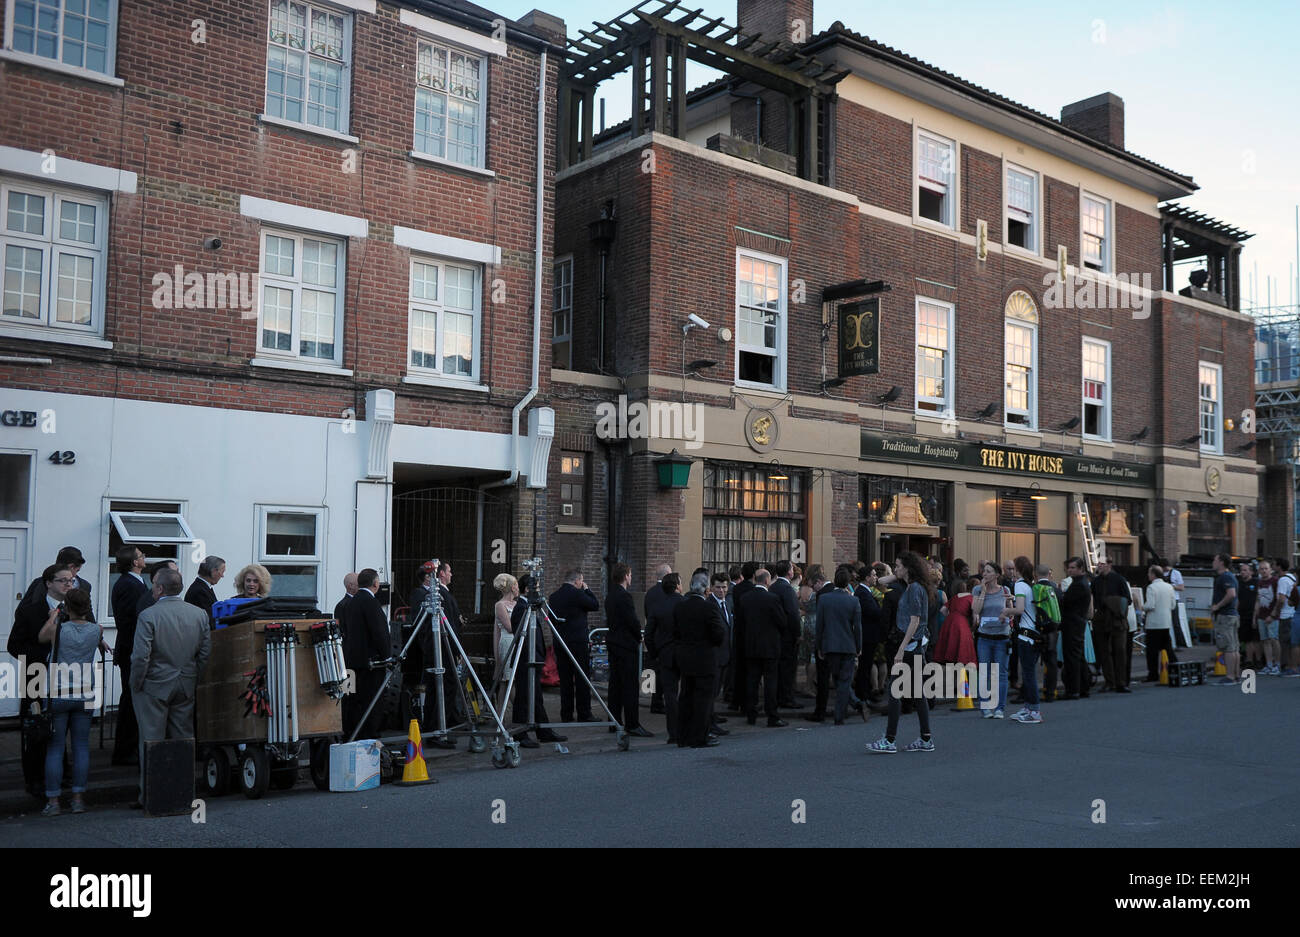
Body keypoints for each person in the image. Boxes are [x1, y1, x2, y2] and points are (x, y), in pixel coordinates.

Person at [130, 568, 211, 806]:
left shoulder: (148, 615)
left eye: (154, 584)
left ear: (160, 588)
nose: (152, 587)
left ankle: (150, 796)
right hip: (185, 681)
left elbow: (140, 657)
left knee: (151, 740)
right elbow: (205, 653)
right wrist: (195, 678)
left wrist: (136, 683)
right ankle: (183, 794)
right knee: (184, 740)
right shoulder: (199, 615)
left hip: (154, 684)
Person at [9, 564, 79, 799]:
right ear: (48, 583)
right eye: (63, 581)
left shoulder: (75, 609)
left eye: (71, 581)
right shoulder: (30, 610)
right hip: (36, 675)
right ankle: (35, 780)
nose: (69, 585)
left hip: (67, 678)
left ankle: (62, 774)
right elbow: (14, 645)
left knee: (62, 727)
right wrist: (45, 655)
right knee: (35, 728)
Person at [38, 588, 103, 816]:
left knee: (55, 748)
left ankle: (53, 802)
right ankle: (78, 799)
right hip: (85, 693)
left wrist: (54, 614)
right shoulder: (97, 630)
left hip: (59, 693)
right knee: (81, 747)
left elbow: (41, 635)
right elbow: (98, 643)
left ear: (67, 607)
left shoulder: (59, 630)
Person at [868, 551, 935, 752]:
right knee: (917, 693)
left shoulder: (914, 589)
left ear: (908, 567)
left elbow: (914, 621)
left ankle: (889, 740)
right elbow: (880, 580)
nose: (895, 569)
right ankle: (925, 738)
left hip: (909, 646)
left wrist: (900, 648)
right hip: (915, 647)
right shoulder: (915, 586)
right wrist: (899, 573)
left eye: (898, 565)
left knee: (895, 691)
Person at [509, 574, 565, 748]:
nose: (539, 591)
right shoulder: (521, 608)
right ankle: (520, 733)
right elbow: (522, 635)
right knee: (523, 697)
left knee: (536, 697)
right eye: (537, 587)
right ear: (528, 589)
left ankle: (544, 730)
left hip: (534, 658)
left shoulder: (528, 607)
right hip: (526, 659)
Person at [672, 573, 726, 747]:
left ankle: (683, 735)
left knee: (686, 696)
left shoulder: (681, 607)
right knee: (703, 699)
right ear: (706, 589)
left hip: (686, 658)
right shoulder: (708, 608)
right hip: (704, 659)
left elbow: (676, 632)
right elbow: (718, 634)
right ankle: (699, 736)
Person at [340, 568, 390, 740]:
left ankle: (351, 734)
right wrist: (387, 656)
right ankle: (369, 736)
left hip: (350, 661)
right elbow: (379, 632)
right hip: (370, 664)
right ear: (376, 584)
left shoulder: (349, 603)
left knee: (352, 701)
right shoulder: (370, 602)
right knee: (371, 702)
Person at [110, 546, 149, 767]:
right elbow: (129, 622)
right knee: (130, 700)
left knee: (133, 699)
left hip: (133, 649)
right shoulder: (128, 584)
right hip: (132, 649)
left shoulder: (134, 582)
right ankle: (125, 750)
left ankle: (130, 747)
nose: (144, 558)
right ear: (135, 562)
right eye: (141, 555)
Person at [547, 569, 600, 723]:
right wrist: (587, 589)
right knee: (582, 677)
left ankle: (566, 714)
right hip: (578, 642)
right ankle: (584, 713)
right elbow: (594, 605)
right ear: (577, 580)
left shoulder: (554, 597)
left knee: (565, 680)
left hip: (561, 642)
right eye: (581, 581)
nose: (581, 584)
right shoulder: (578, 594)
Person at [605, 564, 651, 737]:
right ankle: (632, 723)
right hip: (625, 645)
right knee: (629, 686)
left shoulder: (610, 595)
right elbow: (632, 620)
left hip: (614, 643)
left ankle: (614, 721)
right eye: (630, 574)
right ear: (625, 576)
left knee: (615, 685)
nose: (631, 578)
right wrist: (638, 636)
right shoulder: (624, 597)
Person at [815, 567, 863, 725]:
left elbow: (819, 625)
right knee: (843, 681)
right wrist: (858, 646)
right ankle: (841, 714)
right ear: (848, 582)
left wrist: (819, 646)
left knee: (839, 680)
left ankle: (854, 705)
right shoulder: (853, 600)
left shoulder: (824, 599)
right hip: (848, 646)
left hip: (830, 645)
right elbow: (857, 627)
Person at [740, 569, 787, 727]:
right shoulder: (772, 598)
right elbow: (782, 621)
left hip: (751, 646)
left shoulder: (745, 598)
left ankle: (751, 714)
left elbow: (741, 623)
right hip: (770, 646)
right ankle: (772, 715)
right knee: (770, 682)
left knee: (752, 681)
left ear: (754, 579)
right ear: (767, 581)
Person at [645, 573, 685, 741]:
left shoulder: (658, 607)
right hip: (685, 653)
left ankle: (673, 733)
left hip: (666, 654)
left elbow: (648, 634)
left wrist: (655, 653)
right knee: (687, 692)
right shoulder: (685, 604)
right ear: (677, 585)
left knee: (670, 694)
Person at [971, 561, 1012, 717]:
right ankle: (986, 706)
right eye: (984, 571)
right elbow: (975, 610)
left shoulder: (1005, 589)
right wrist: (982, 591)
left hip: (1002, 635)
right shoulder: (977, 589)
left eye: (988, 571)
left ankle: (1000, 708)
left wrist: (1006, 614)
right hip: (985, 637)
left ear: (996, 574)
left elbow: (1011, 609)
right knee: (984, 673)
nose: (985, 574)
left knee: (1001, 673)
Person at [1008, 556, 1043, 725]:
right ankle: (1029, 707)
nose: (1011, 572)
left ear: (1019, 569)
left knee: (1028, 674)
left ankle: (1034, 710)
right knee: (1028, 673)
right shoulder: (1031, 584)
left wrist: (1005, 610)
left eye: (1013, 568)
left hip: (1026, 635)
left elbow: (1020, 609)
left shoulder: (1020, 585)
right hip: (1035, 634)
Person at [1090, 556, 1132, 693]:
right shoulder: (1096, 581)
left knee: (1119, 651)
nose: (1099, 567)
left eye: (1102, 564)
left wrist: (1112, 603)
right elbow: (1093, 599)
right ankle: (1109, 682)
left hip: (1116, 618)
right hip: (1101, 618)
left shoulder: (1119, 579)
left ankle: (1121, 682)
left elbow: (1128, 600)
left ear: (1109, 564)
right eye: (1098, 564)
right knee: (1104, 652)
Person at [769, 560, 803, 709]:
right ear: (790, 572)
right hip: (788, 636)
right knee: (788, 668)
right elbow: (793, 614)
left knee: (778, 668)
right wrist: (797, 634)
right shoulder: (787, 589)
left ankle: (778, 696)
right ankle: (786, 698)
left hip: (775, 634)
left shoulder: (773, 587)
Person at [726, 562, 758, 713]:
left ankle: (735, 700)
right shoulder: (753, 590)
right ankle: (747, 703)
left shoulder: (736, 589)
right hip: (750, 632)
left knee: (738, 668)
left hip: (738, 631)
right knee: (749, 670)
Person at [1059, 558, 1093, 700]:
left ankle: (1073, 691)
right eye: (1069, 568)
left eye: (1073, 567)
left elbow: (1065, 602)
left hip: (1073, 625)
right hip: (1077, 624)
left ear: (1080, 569)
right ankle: (1083, 688)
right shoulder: (1080, 583)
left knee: (1072, 659)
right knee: (1078, 658)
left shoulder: (1078, 585)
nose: (1070, 570)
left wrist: (1059, 593)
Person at [20, 546, 93, 611]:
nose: (69, 583)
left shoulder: (85, 586)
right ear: (71, 566)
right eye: (77, 570)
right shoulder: (39, 583)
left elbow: (88, 613)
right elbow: (22, 611)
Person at [644, 563, 673, 714]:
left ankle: (648, 695)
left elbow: (647, 614)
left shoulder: (649, 593)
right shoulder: (667, 592)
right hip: (663, 637)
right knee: (662, 673)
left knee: (651, 669)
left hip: (651, 635)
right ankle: (657, 702)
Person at [1142, 564, 1178, 681]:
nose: (1148, 575)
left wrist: (1142, 606)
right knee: (1168, 648)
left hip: (1153, 623)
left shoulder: (1151, 588)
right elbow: (1173, 605)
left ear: (1153, 574)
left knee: (1152, 651)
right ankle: (1175, 668)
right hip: (1166, 622)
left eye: (1149, 573)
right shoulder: (1169, 587)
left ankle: (1153, 674)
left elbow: (1150, 605)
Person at [1208, 552, 1240, 686]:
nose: (1213, 562)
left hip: (1226, 615)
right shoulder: (1228, 576)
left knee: (1228, 647)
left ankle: (1230, 676)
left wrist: (1217, 606)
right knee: (1234, 646)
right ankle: (1236, 675)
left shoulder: (1225, 577)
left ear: (1221, 562)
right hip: (1231, 615)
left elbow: (1231, 594)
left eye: (1215, 559)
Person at [707, 572, 732, 736]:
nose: (721, 591)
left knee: (717, 691)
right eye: (718, 587)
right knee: (711, 691)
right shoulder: (709, 605)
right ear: (711, 588)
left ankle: (712, 716)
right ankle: (709, 723)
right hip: (714, 656)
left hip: (726, 654)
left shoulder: (728, 603)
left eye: (724, 587)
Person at [1033, 564, 1063, 702]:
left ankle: (1029, 692)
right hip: (1053, 630)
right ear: (1048, 574)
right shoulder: (1056, 590)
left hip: (1038, 630)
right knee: (1051, 662)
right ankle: (1050, 692)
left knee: (1030, 662)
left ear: (1035, 575)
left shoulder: (1035, 589)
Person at [934, 575, 976, 668]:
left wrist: (951, 616)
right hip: (962, 623)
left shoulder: (955, 597)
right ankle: (963, 680)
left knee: (950, 651)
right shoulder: (971, 597)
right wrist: (972, 628)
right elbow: (975, 618)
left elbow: (943, 610)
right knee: (963, 654)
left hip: (949, 622)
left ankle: (951, 679)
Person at [492, 572, 519, 688]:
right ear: (512, 587)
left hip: (517, 640)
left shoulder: (517, 603)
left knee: (508, 680)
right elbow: (509, 627)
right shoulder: (500, 605)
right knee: (508, 679)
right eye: (517, 585)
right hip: (508, 642)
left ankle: (500, 706)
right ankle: (519, 705)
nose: (518, 588)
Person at [184, 555, 226, 628]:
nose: (222, 576)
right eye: (222, 572)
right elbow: (209, 619)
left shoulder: (202, 587)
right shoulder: (200, 591)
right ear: (213, 572)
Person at [1273, 558, 1297, 676]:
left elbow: (1281, 599)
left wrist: (1275, 612)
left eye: (1274, 565)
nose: (1273, 567)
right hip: (1293, 613)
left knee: (1285, 642)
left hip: (1285, 615)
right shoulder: (1292, 578)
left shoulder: (1282, 580)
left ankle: (1289, 667)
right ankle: (1293, 666)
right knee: (1293, 642)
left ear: (1279, 566)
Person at [1235, 563, 1260, 673]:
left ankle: (1252, 661)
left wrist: (1255, 614)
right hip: (1241, 614)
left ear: (1251, 572)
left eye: (1245, 570)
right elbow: (1237, 599)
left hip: (1252, 614)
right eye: (1242, 570)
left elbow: (1258, 599)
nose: (1243, 572)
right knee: (1242, 638)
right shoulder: (1238, 584)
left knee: (1251, 639)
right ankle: (1243, 659)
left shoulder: (1255, 583)